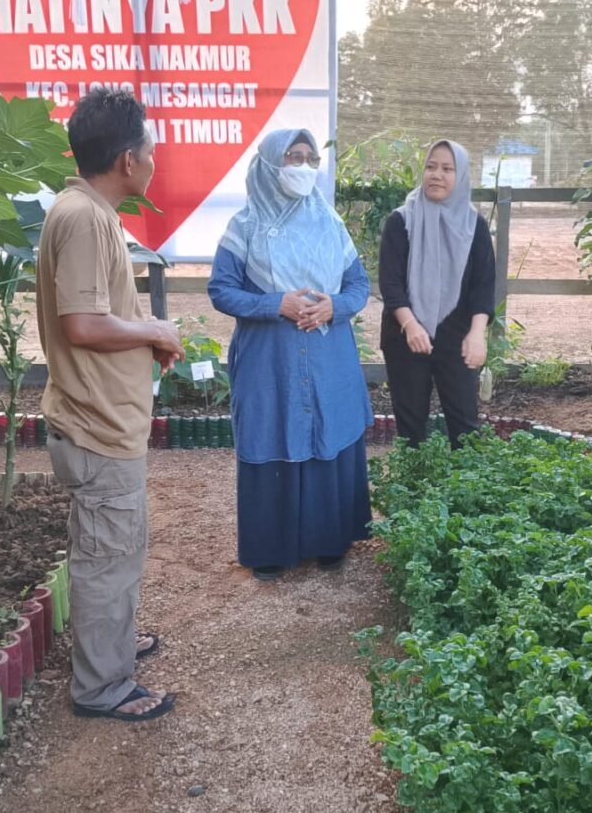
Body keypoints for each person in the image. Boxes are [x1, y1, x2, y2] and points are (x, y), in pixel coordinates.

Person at [37, 87, 184, 722]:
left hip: (104, 423)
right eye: (150, 149)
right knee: (105, 558)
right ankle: (102, 688)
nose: (155, 159)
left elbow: (97, 317)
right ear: (128, 160)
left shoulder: (87, 212)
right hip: (95, 426)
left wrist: (143, 329)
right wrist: (152, 330)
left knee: (115, 550)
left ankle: (113, 649)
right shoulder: (83, 217)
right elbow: (82, 325)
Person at [207, 128, 373, 581]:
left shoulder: (330, 224)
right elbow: (220, 291)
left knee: (329, 436)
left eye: (308, 158)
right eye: (291, 157)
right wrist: (274, 303)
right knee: (272, 434)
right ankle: (271, 550)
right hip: (270, 363)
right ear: (268, 165)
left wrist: (332, 307)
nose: (301, 167)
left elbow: (359, 285)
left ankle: (329, 542)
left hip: (328, 358)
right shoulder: (245, 226)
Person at [379, 140, 495, 449]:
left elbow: (484, 285)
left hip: (458, 336)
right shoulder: (401, 221)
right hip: (405, 335)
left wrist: (477, 335)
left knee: (465, 428)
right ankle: (413, 493)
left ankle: (464, 495)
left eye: (447, 169)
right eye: (431, 167)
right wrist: (411, 325)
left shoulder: (475, 226)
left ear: (461, 177)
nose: (436, 175)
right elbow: (390, 284)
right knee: (411, 430)